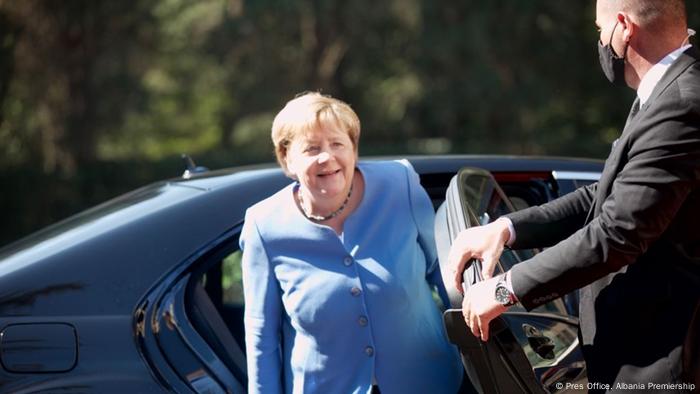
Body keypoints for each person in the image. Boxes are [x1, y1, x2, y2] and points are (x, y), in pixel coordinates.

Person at [448, 0, 700, 391]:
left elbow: (619, 232)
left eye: (599, 30)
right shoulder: (670, 87)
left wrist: (505, 288)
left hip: (662, 365)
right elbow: (608, 193)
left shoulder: (683, 102)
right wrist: (508, 227)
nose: (600, 42)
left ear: (623, 27)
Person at [240, 92, 462, 394]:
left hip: (428, 382)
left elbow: (446, 272)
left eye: (337, 144)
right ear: (287, 158)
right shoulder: (264, 225)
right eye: (311, 148)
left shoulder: (400, 185)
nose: (326, 157)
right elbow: (261, 333)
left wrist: (482, 352)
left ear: (353, 149)